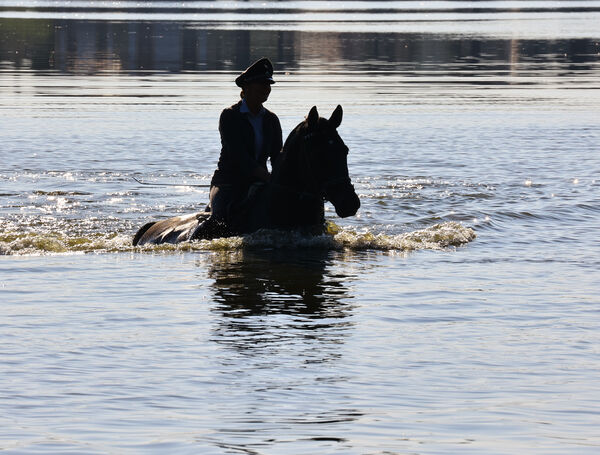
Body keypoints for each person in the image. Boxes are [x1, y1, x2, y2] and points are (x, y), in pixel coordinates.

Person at [194, 57, 283, 239]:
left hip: (261, 183)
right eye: (261, 84)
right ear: (247, 87)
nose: (266, 89)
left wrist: (282, 179)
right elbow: (238, 156)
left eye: (268, 84)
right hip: (228, 183)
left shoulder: (271, 120)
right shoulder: (230, 116)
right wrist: (267, 176)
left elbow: (277, 156)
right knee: (218, 222)